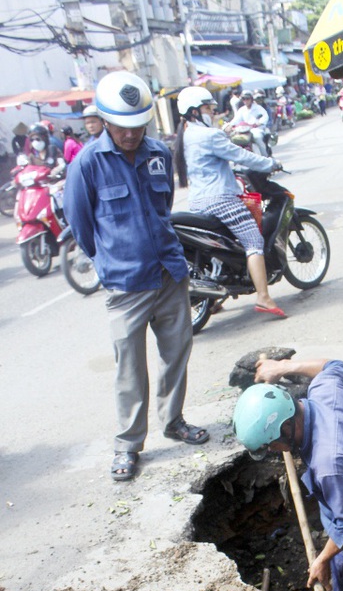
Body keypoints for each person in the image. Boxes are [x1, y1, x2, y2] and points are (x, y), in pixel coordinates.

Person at [63, 70, 208, 483]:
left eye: (138, 126)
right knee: (129, 367)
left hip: (170, 273)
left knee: (176, 352)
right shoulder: (87, 164)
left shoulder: (159, 152)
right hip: (126, 285)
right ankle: (128, 443)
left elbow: (165, 205)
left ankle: (173, 420)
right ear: (106, 121)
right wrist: (111, 262)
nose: (131, 134)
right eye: (123, 127)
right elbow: (80, 225)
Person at [233, 358, 343, 591]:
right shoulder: (326, 392)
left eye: (271, 445)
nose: (274, 452)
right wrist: (284, 366)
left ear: (287, 427)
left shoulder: (329, 463)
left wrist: (322, 560)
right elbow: (336, 366)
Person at [173, 86, 285, 318]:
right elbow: (241, 155)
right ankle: (263, 297)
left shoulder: (184, 136)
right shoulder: (208, 135)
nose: (211, 113)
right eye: (207, 108)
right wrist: (269, 163)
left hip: (197, 202)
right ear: (193, 112)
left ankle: (215, 299)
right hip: (220, 199)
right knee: (253, 241)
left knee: (221, 244)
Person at [228, 89, 270, 156]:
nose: (246, 101)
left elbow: (265, 117)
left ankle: (266, 157)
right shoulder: (242, 110)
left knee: (257, 138)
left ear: (251, 99)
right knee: (234, 140)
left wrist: (259, 122)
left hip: (256, 129)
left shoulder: (258, 108)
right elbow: (236, 119)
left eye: (247, 99)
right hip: (245, 131)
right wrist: (230, 125)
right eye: (244, 99)